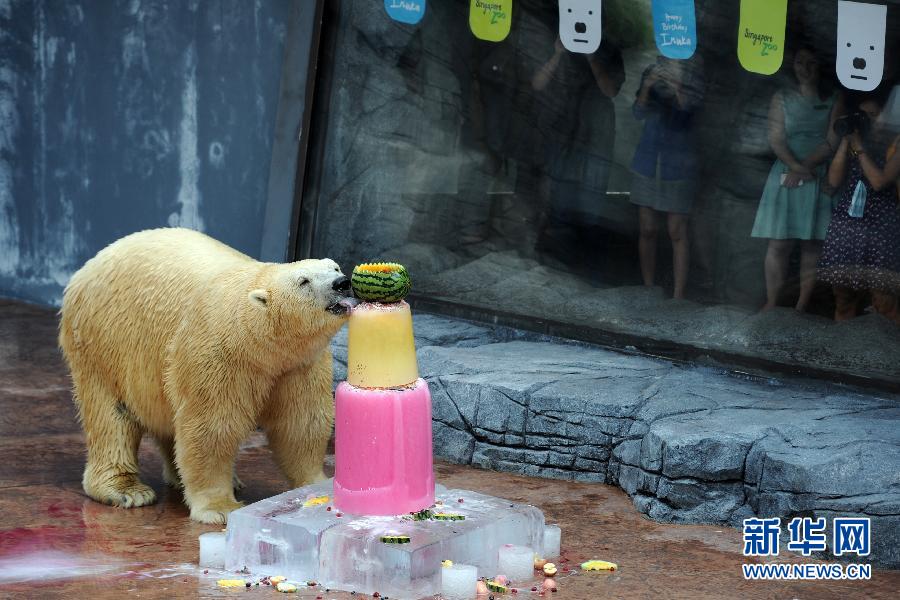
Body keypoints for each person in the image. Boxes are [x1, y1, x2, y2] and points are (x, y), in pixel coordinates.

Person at [751, 47, 842, 312]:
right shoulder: (782, 96)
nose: (805, 67)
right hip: (787, 172)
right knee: (778, 242)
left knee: (812, 244)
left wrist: (805, 167)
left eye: (811, 62)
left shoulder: (834, 98)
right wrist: (795, 167)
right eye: (800, 61)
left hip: (818, 172)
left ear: (821, 66)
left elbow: (832, 139)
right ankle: (772, 301)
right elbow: (775, 138)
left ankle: (801, 305)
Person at [818, 92, 900, 324]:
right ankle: (841, 354)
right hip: (848, 224)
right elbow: (833, 182)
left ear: (886, 116)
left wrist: (859, 147)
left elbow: (879, 181)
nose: (867, 121)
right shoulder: (854, 141)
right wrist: (846, 141)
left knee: (885, 303)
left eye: (873, 115)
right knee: (843, 299)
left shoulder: (895, 142)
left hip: (881, 225)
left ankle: (888, 357)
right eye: (862, 116)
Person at [630, 56, 704, 299]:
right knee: (647, 228)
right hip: (648, 160)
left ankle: (678, 296)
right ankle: (648, 287)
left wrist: (677, 85)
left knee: (677, 231)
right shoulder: (653, 69)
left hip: (678, 165)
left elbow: (689, 119)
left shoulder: (693, 74)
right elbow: (638, 112)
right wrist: (650, 83)